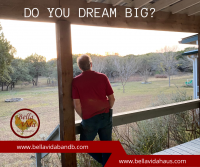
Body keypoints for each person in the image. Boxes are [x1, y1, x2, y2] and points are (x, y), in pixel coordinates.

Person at [72, 55, 115, 166]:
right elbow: (112, 98)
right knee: (107, 147)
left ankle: (106, 161)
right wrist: (107, 109)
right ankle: (106, 162)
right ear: (91, 64)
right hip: (105, 116)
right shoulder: (102, 77)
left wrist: (85, 116)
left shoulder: (76, 81)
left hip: (89, 119)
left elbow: (76, 105)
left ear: (80, 67)